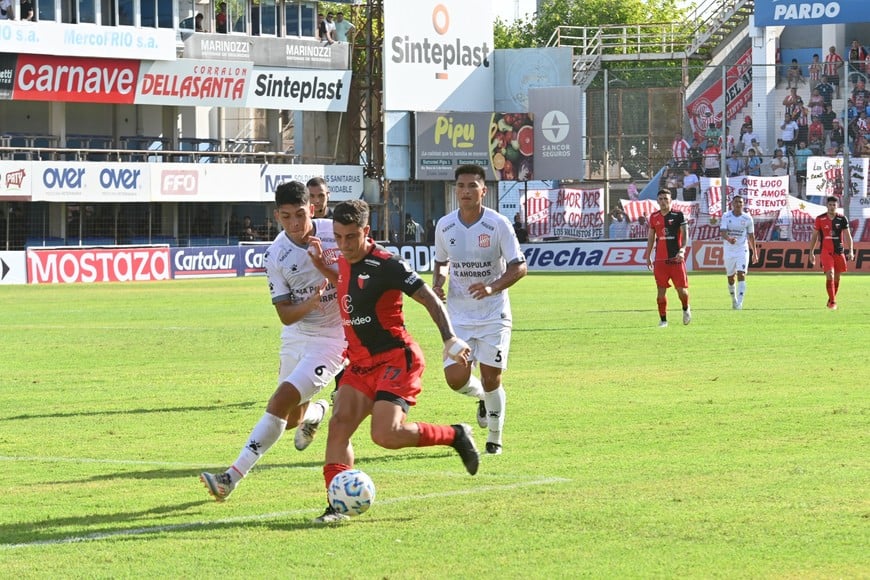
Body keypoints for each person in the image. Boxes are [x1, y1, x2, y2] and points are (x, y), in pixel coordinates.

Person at [307, 199, 480, 523]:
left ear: (366, 232)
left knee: (385, 435)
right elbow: (345, 283)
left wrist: (449, 339)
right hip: (359, 363)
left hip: (395, 359)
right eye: (340, 237)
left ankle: (455, 435)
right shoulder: (345, 259)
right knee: (339, 425)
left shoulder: (387, 263)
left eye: (351, 237)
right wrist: (321, 266)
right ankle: (336, 506)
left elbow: (428, 297)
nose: (344, 245)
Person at [200, 181, 345, 502]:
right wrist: (312, 302)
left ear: (313, 208)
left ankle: (230, 477)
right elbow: (285, 315)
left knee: (279, 400)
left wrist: (328, 275)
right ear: (277, 216)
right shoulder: (276, 254)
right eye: (286, 217)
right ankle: (315, 413)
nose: (295, 223)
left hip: (334, 339)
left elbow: (359, 270)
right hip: (296, 335)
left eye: (301, 214)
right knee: (291, 418)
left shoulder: (335, 232)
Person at [433, 164, 528, 456]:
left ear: (483, 191)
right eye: (461, 186)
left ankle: (495, 439)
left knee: (492, 378)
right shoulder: (445, 225)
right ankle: (484, 400)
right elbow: (441, 262)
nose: (466, 191)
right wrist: (438, 283)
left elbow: (519, 266)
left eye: (472, 186)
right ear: (455, 190)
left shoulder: (498, 224)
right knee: (455, 379)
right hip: (458, 316)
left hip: (493, 315)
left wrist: (492, 287)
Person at [644, 189, 691, 327]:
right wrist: (648, 256)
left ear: (670, 200)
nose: (663, 201)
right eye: (661, 199)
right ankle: (663, 320)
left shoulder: (678, 215)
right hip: (660, 260)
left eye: (666, 198)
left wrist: (682, 250)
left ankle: (685, 307)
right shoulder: (654, 217)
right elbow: (651, 238)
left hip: (676, 260)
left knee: (681, 291)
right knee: (660, 292)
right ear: (657, 201)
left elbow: (685, 234)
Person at [808, 196, 855, 310]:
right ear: (827, 205)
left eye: (834, 205)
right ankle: (833, 302)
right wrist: (811, 252)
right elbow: (814, 237)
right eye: (830, 205)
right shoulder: (820, 219)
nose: (832, 207)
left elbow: (848, 236)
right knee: (830, 274)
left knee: (837, 278)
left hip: (839, 251)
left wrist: (851, 251)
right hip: (825, 251)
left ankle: (831, 298)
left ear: (837, 206)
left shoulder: (842, 219)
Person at [719, 196, 758, 310]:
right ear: (732, 204)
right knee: (731, 277)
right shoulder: (726, 216)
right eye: (736, 202)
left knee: (741, 274)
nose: (738, 204)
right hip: (729, 249)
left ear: (743, 204)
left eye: (740, 202)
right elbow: (723, 232)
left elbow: (751, 236)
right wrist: (729, 239)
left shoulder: (747, 218)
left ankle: (740, 304)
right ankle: (734, 300)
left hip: (742, 249)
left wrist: (755, 253)